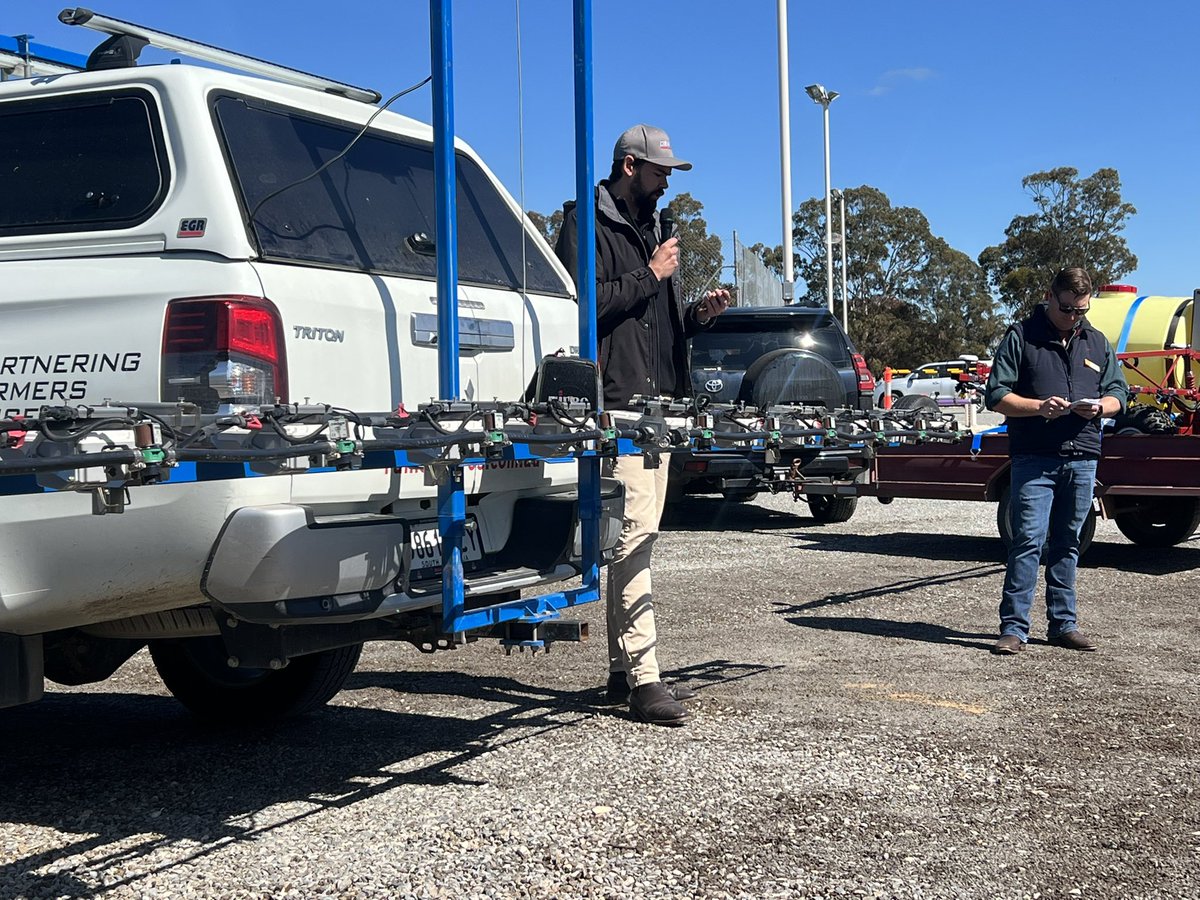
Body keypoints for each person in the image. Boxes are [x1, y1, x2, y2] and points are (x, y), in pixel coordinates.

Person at [555, 124, 730, 725]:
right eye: (660, 173)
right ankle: (645, 679)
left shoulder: (656, 228)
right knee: (632, 538)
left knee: (636, 538)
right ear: (630, 166)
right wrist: (649, 275)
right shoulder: (585, 223)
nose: (666, 184)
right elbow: (581, 305)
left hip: (656, 405)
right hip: (614, 404)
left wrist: (695, 317)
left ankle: (619, 670)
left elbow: (652, 320)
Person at [984, 266, 1128, 655]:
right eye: (1067, 309)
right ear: (1050, 296)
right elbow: (996, 395)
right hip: (1035, 458)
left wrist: (1101, 407)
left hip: (1083, 457)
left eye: (1081, 310)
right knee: (1028, 540)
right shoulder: (1021, 337)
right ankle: (1014, 628)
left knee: (1068, 543)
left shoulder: (1096, 342)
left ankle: (1063, 624)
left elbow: (1119, 392)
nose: (1074, 317)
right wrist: (1037, 407)